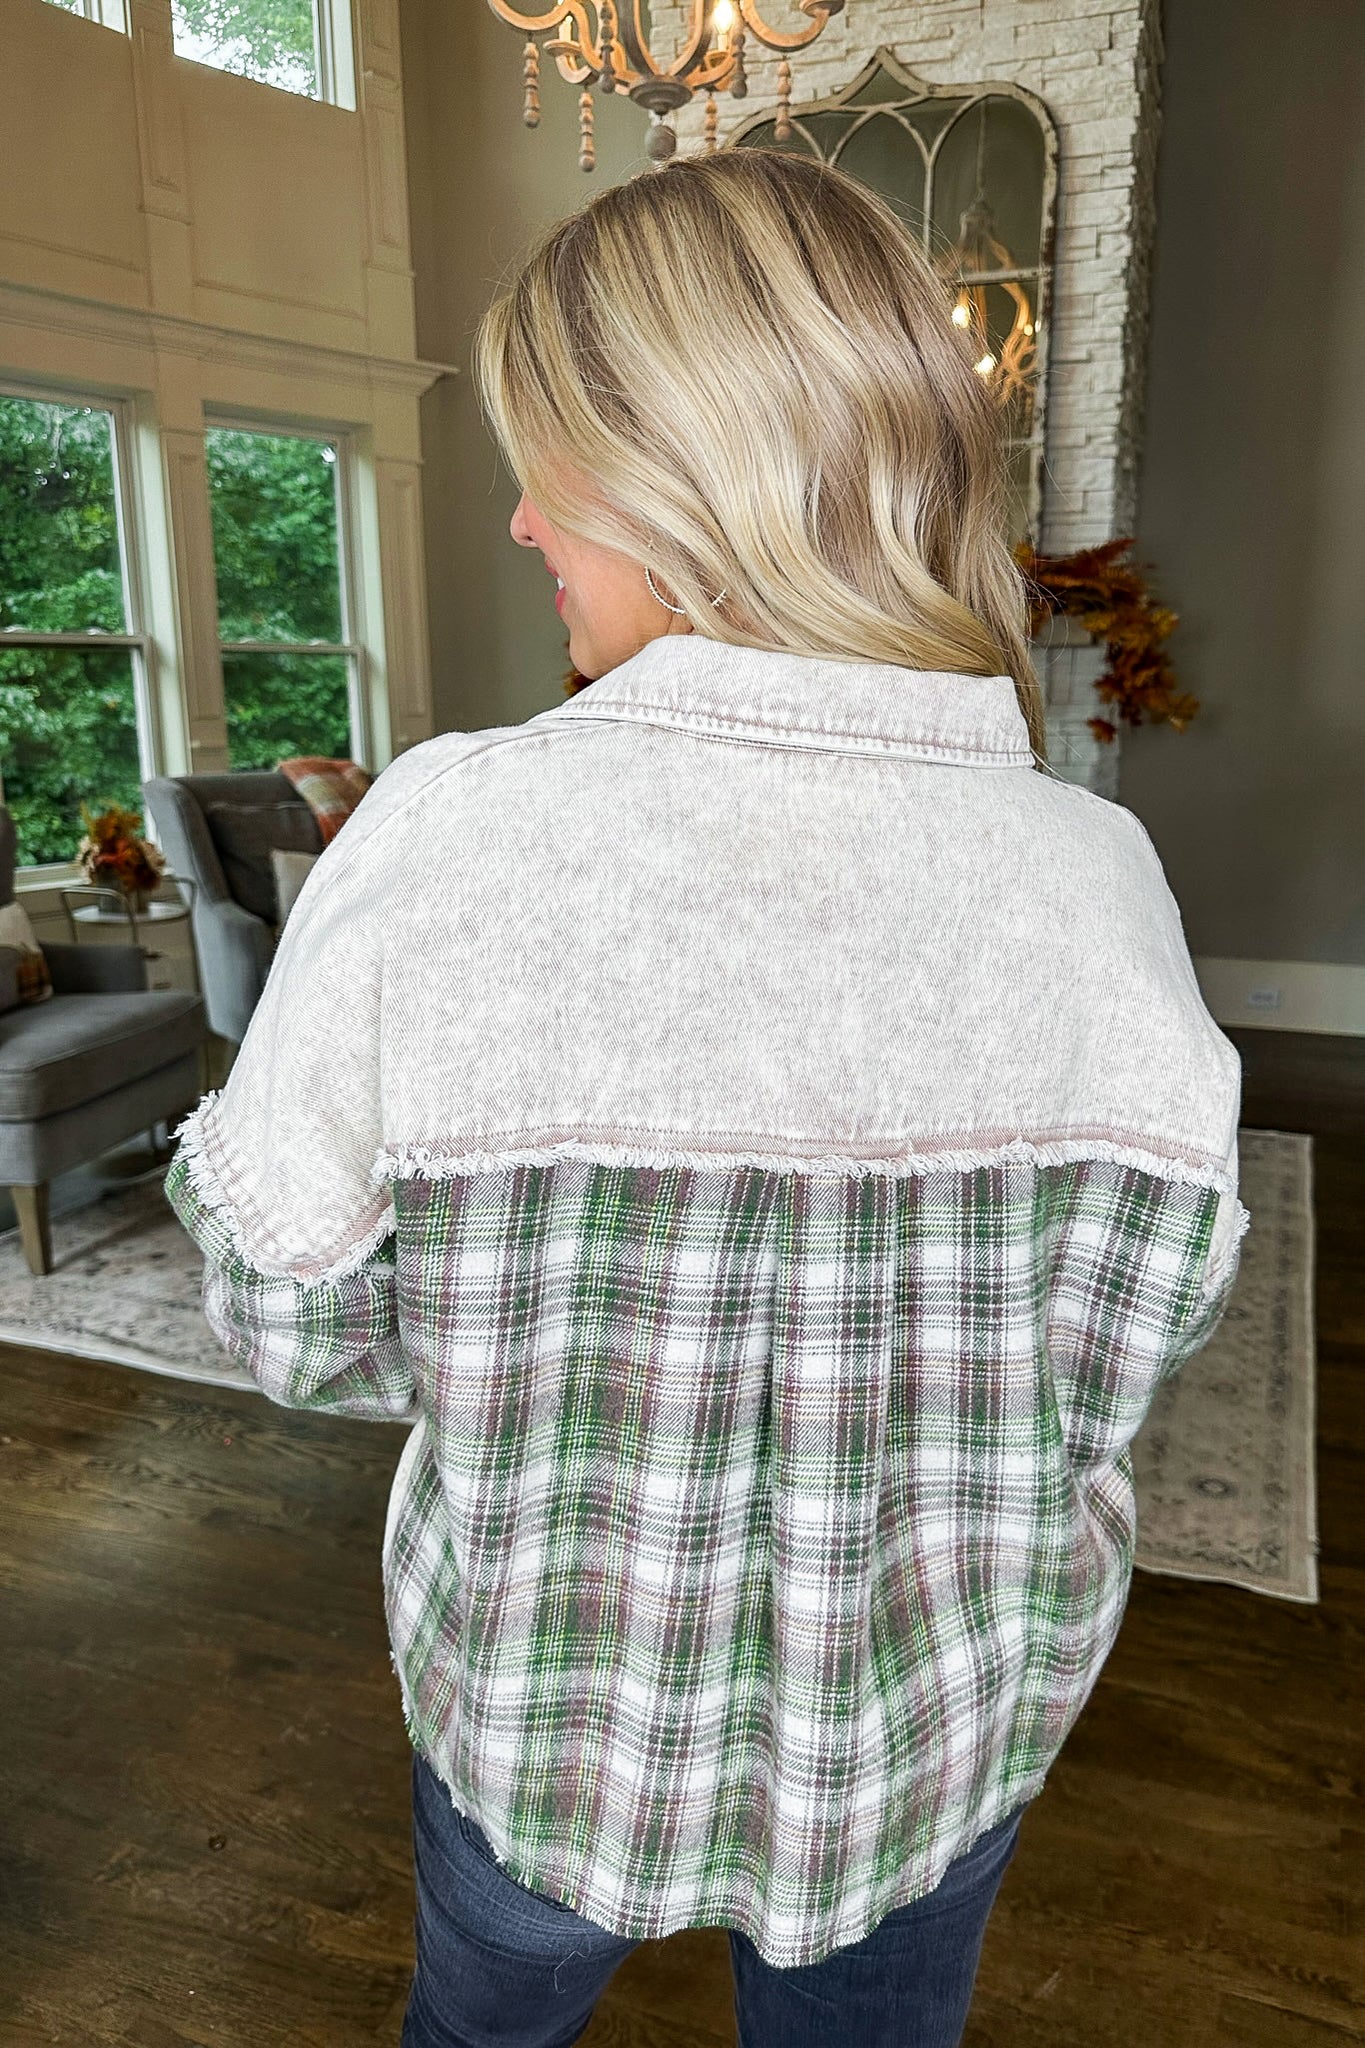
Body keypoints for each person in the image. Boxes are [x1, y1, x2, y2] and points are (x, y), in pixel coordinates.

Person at [165, 149, 1250, 2048]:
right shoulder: (1091, 878)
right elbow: (1121, 1350)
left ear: (686, 475)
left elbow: (295, 1322)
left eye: (552, 464)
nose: (517, 519)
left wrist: (542, 1341)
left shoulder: (450, 834)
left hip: (543, 1720)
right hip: (931, 1740)